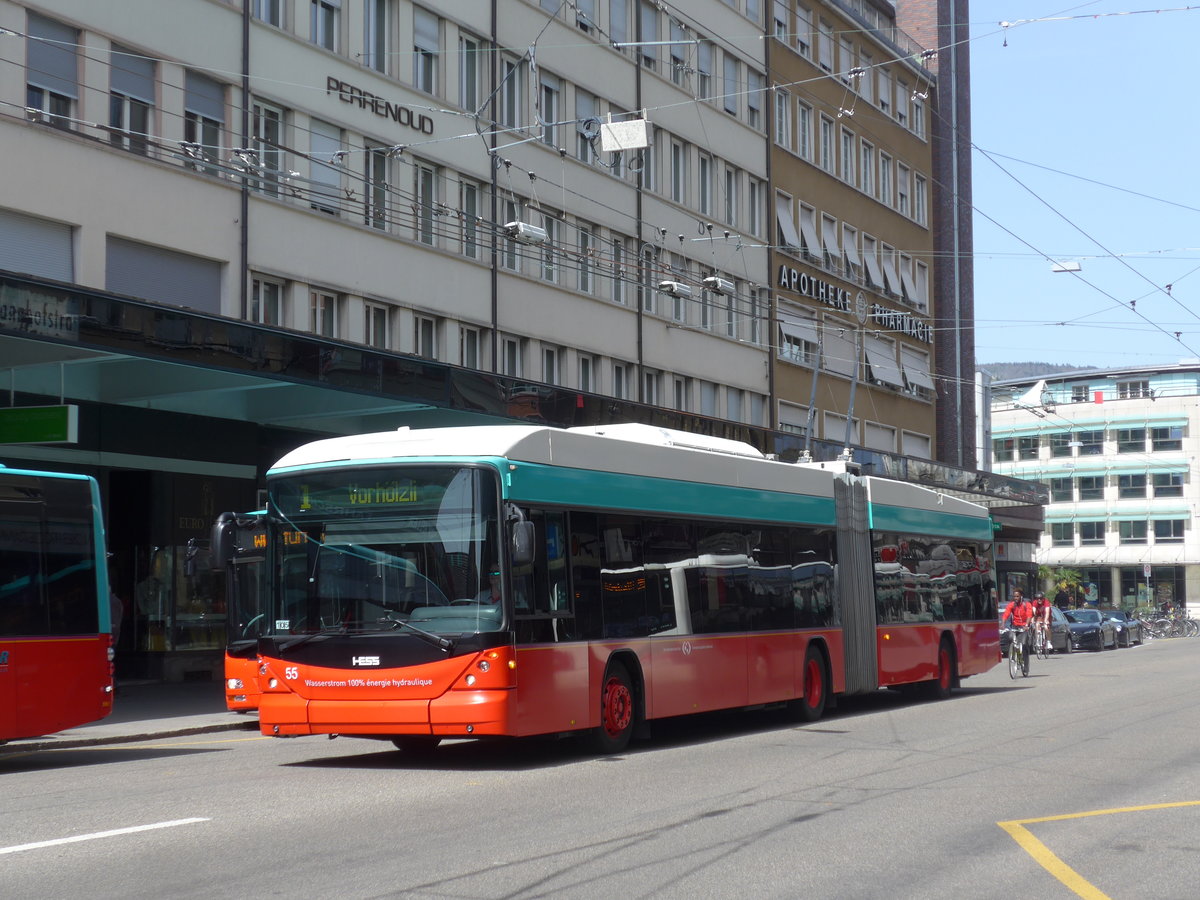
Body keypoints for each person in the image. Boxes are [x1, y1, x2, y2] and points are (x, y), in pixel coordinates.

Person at [1001, 589, 1035, 675]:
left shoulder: (1026, 604)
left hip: (1024, 627)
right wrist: (1003, 623)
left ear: (1021, 596)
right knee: (1010, 638)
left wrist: (1027, 625)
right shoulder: (1011, 605)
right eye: (1014, 596)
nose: (1015, 598)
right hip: (1015, 627)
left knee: (1023, 644)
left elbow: (1029, 615)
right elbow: (1006, 614)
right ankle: (1013, 654)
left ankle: (1025, 667)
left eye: (1017, 596)